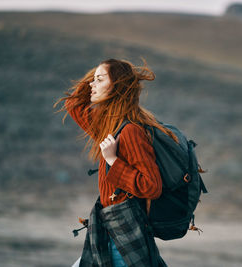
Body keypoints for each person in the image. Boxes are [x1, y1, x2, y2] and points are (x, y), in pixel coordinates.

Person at [54, 58, 175, 267]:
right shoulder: (110, 127)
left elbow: (152, 186)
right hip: (108, 230)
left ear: (117, 86)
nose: (92, 85)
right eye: (93, 80)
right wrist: (98, 74)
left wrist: (112, 160)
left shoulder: (130, 132)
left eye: (99, 80)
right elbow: (73, 103)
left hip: (124, 234)